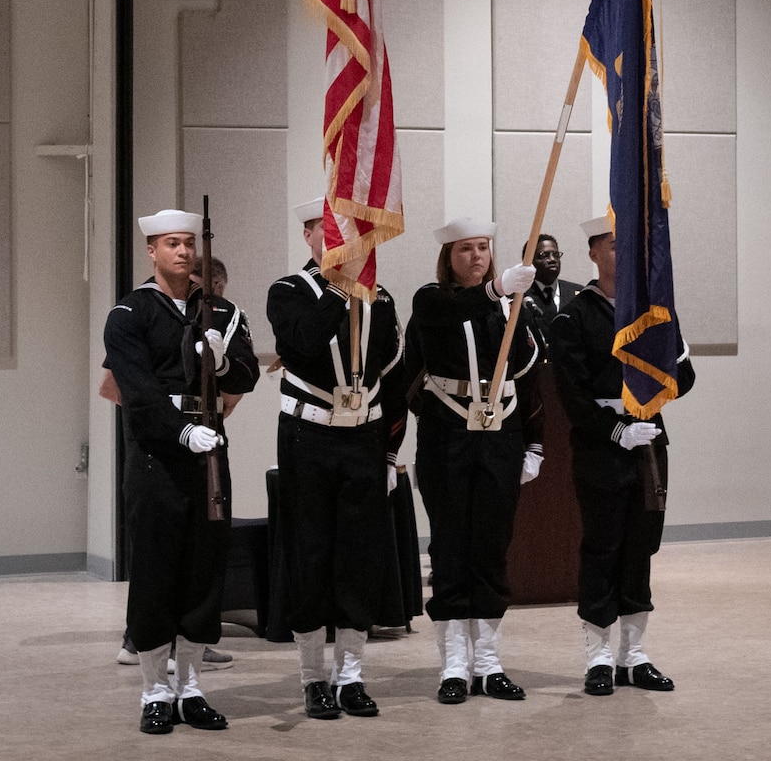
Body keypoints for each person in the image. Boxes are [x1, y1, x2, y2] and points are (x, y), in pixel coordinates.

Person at [102, 209, 261, 734]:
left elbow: (248, 371)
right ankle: (154, 691)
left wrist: (220, 365)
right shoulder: (129, 313)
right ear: (151, 250)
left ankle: (191, 687)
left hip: (210, 452)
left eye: (189, 243)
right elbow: (138, 392)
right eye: (172, 243)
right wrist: (181, 430)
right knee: (155, 571)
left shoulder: (220, 310)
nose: (183, 252)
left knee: (203, 569)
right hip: (156, 456)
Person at [266, 199, 410, 720]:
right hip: (309, 436)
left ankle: (351, 675)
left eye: (351, 235)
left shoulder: (382, 298)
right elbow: (301, 345)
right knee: (311, 555)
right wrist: (337, 287)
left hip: (363, 440)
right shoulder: (288, 292)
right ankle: (312, 677)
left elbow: (394, 383)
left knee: (358, 558)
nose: (342, 245)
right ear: (309, 237)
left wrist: (391, 452)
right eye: (329, 234)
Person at [548, 216, 695, 697]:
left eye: (629, 246)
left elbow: (684, 381)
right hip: (601, 446)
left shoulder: (651, 312)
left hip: (650, 442)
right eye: (613, 246)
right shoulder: (574, 316)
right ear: (592, 253)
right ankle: (598, 657)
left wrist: (675, 347)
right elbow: (572, 396)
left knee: (641, 547)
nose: (623, 255)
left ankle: (634, 655)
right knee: (602, 546)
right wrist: (615, 430)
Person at [405, 218, 543, 704]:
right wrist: (497, 290)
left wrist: (536, 443)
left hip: (501, 433)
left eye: (483, 248)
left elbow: (528, 378)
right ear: (449, 257)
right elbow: (448, 316)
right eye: (466, 249)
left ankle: (487, 661)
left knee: (490, 545)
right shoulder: (431, 299)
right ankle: (454, 665)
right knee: (450, 547)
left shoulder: (510, 306)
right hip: (448, 434)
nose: (477, 257)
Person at [107, 259, 241, 672]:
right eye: (208, 284)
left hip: (202, 441)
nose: (211, 292)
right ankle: (143, 646)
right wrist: (173, 424)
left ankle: (189, 658)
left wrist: (218, 368)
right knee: (156, 556)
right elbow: (112, 386)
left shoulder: (219, 315)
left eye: (217, 286)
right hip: (156, 442)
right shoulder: (138, 311)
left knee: (201, 557)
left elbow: (239, 379)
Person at [521, 233, 584, 338]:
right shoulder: (519, 297)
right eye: (544, 255)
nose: (552, 259)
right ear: (528, 261)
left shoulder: (579, 294)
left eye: (556, 254)